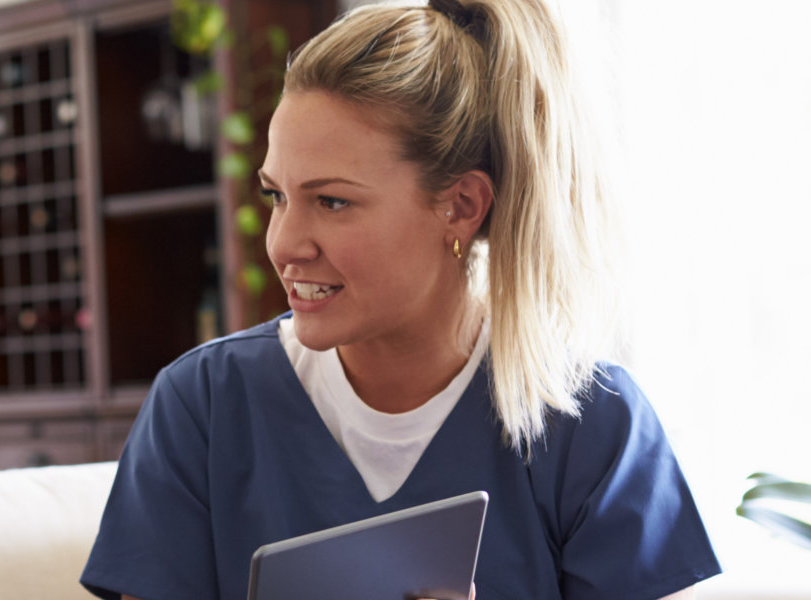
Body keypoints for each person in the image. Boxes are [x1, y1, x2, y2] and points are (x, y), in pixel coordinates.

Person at [80, 0, 720, 599]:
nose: (285, 243)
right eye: (277, 196)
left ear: (461, 206)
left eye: (332, 201)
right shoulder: (204, 407)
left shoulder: (592, 425)